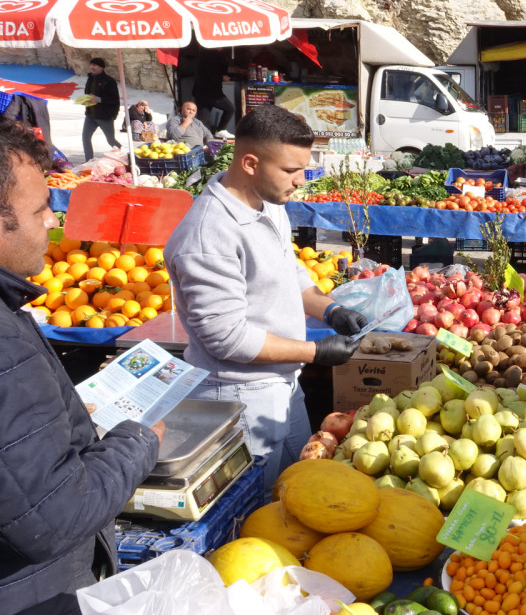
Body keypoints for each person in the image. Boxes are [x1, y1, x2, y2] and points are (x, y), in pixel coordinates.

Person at [0, 121, 164, 615]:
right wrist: (138, 443)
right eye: (39, 209)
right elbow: (53, 517)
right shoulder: (5, 346)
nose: (53, 221)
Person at [165, 105, 366, 485]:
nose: (301, 180)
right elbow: (226, 337)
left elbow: (290, 272)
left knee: (293, 490)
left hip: (283, 386)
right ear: (251, 163)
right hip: (239, 398)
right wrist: (316, 352)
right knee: (254, 509)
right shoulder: (208, 235)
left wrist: (330, 310)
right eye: (291, 170)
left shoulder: (268, 205)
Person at [81, 57, 120, 161]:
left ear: (101, 67)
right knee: (85, 138)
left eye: (95, 65)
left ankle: (125, 155)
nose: (92, 67)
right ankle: (89, 161)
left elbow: (114, 99)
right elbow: (88, 94)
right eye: (91, 64)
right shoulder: (90, 78)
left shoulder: (109, 81)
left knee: (111, 140)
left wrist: (98, 99)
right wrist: (86, 100)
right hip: (90, 115)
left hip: (104, 116)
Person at [193, 47, 238, 134]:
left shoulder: (205, 54)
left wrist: (238, 71)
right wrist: (222, 77)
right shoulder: (211, 55)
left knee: (202, 120)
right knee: (230, 108)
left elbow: (219, 69)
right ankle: (220, 131)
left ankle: (196, 137)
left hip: (201, 91)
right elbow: (212, 73)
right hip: (211, 92)